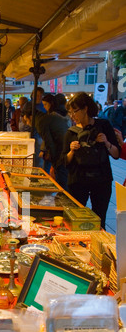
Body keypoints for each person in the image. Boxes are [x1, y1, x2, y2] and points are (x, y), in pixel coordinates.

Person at [62, 92, 120, 229]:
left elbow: (116, 154)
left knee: (99, 219)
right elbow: (64, 161)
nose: (72, 116)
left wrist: (106, 142)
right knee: (75, 219)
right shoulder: (71, 132)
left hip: (101, 180)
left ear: (85, 109)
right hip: (77, 180)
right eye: (70, 113)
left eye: (74, 111)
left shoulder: (103, 126)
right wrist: (71, 151)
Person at [23, 101, 69, 190]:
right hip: (63, 148)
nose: (28, 123)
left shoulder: (40, 122)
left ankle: (63, 199)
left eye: (27, 121)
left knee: (62, 181)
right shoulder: (44, 118)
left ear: (31, 117)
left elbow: (49, 143)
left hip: (61, 151)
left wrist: (55, 163)